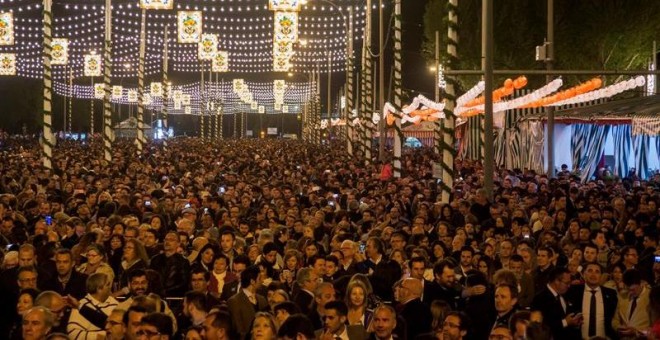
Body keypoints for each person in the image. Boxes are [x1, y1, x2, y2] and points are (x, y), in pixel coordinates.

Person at [566, 262, 617, 339]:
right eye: (590, 271)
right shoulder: (573, 291)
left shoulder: (611, 294)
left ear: (601, 276)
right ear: (583, 274)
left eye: (597, 272)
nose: (593, 274)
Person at [531, 267, 582, 339]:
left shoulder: (567, 294)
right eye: (567, 283)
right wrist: (565, 322)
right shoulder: (539, 299)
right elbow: (539, 327)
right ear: (556, 281)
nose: (569, 286)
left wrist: (574, 323)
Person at [67, 272, 119, 339]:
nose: (110, 287)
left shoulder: (115, 303)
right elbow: (73, 334)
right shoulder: (80, 305)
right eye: (107, 285)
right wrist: (102, 337)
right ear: (99, 289)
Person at [227, 265, 268, 340]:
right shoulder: (234, 301)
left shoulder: (262, 300)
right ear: (252, 281)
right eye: (260, 278)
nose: (262, 281)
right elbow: (238, 330)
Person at [612, 268, 651, 339]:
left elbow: (656, 327)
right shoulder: (623, 296)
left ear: (641, 283)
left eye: (633, 290)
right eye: (628, 289)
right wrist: (618, 327)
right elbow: (615, 320)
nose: (630, 293)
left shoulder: (651, 298)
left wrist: (637, 332)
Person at [149, 231, 191, 297]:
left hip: (175, 298)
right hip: (155, 296)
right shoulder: (155, 260)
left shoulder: (183, 262)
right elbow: (150, 278)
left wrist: (165, 291)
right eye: (166, 239)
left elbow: (183, 283)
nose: (167, 242)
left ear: (178, 243)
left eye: (171, 240)